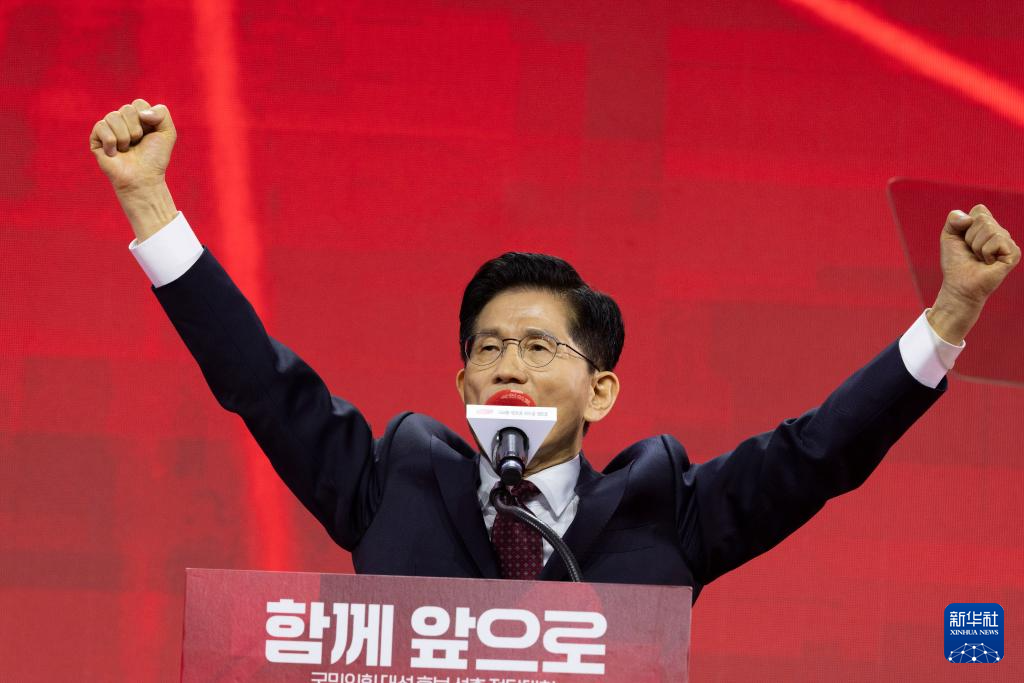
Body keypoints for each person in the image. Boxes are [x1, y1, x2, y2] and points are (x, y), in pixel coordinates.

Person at [91, 99, 1020, 599]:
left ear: (601, 390)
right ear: (461, 380)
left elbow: (819, 453)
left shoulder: (669, 509)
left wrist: (949, 313)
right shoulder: (389, 483)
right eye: (489, 347)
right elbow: (261, 383)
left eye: (539, 346)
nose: (509, 363)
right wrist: (149, 204)